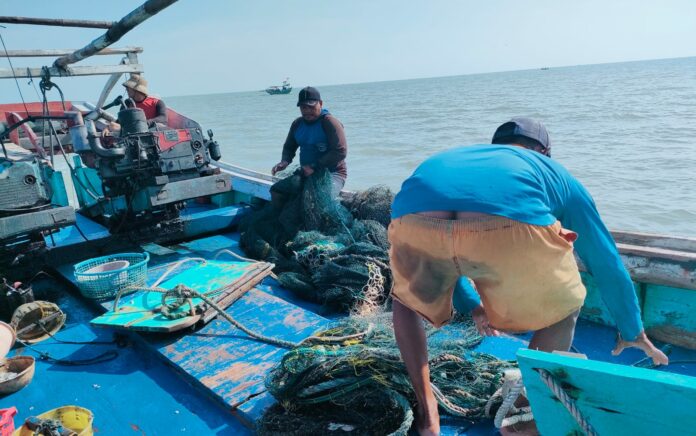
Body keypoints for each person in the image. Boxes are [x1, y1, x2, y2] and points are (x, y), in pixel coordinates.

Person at [388, 117, 669, 436]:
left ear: (495, 146)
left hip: (412, 219)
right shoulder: (554, 172)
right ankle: (521, 413)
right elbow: (604, 260)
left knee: (405, 302)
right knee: (566, 307)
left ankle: (428, 418)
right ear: (545, 152)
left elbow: (451, 252)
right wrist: (632, 329)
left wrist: (474, 307)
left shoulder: (461, 156)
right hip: (507, 226)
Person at [271, 86, 347, 198]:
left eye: (311, 107)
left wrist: (314, 167)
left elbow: (340, 151)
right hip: (307, 173)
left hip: (333, 174)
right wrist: (285, 161)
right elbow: (289, 146)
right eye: (303, 107)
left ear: (320, 103)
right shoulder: (297, 124)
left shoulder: (330, 122)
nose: (307, 111)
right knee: (277, 191)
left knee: (321, 198)